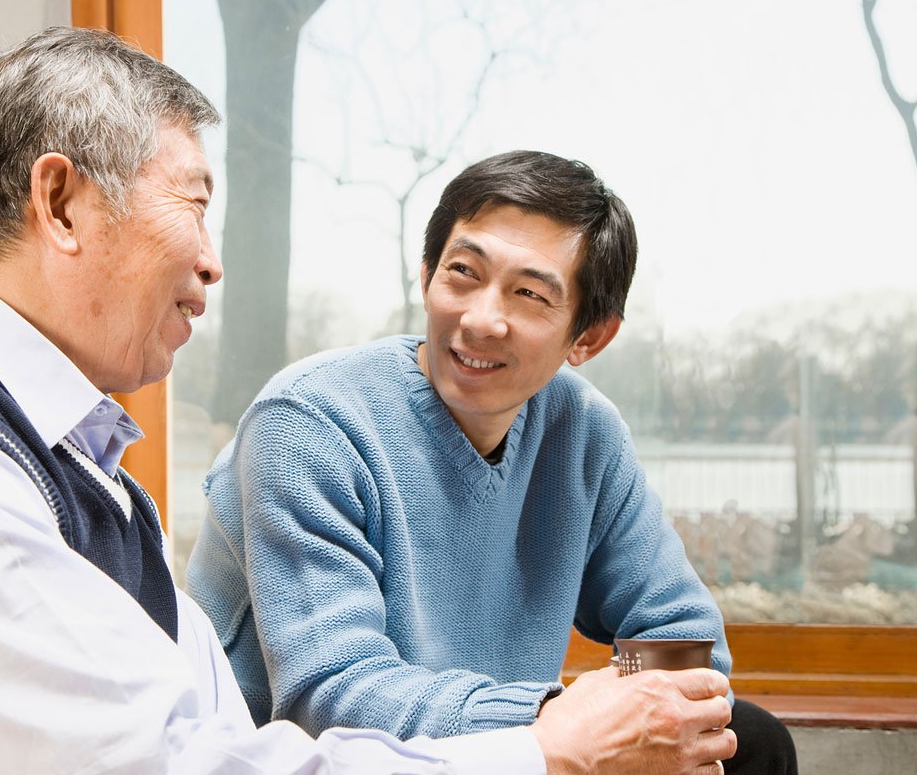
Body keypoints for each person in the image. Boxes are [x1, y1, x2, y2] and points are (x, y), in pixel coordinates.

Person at [0, 28, 737, 773]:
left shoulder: (80, 471)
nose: (216, 264)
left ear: (588, 339)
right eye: (193, 202)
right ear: (62, 203)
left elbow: (210, 738)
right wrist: (545, 745)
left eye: (532, 295)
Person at [187, 150, 797, 773]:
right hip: (331, 762)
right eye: (462, 273)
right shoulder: (308, 423)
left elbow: (686, 637)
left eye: (529, 293)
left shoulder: (583, 434)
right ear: (427, 276)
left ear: (589, 336)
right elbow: (335, 696)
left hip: (513, 754)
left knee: (749, 741)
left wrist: (628, 704)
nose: (480, 320)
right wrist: (560, 720)